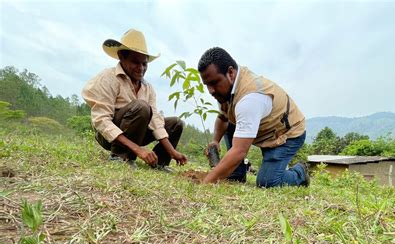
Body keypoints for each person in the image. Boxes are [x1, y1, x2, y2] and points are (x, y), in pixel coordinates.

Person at [198, 47, 309, 187]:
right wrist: (215, 141)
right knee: (232, 122)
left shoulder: (250, 99)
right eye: (207, 85)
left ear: (230, 72)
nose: (210, 91)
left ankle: (299, 173)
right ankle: (237, 173)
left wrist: (206, 182)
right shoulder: (226, 90)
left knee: (267, 182)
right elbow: (223, 117)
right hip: (263, 129)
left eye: (214, 83)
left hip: (285, 134)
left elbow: (239, 150)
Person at [82, 29, 187, 171]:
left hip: (138, 134)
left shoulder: (147, 88)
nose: (141, 68)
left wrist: (172, 152)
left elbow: (155, 121)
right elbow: (102, 121)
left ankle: (160, 163)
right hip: (109, 137)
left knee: (176, 123)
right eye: (135, 62)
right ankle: (120, 156)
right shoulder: (109, 77)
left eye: (144, 64)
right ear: (121, 57)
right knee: (142, 107)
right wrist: (138, 150)